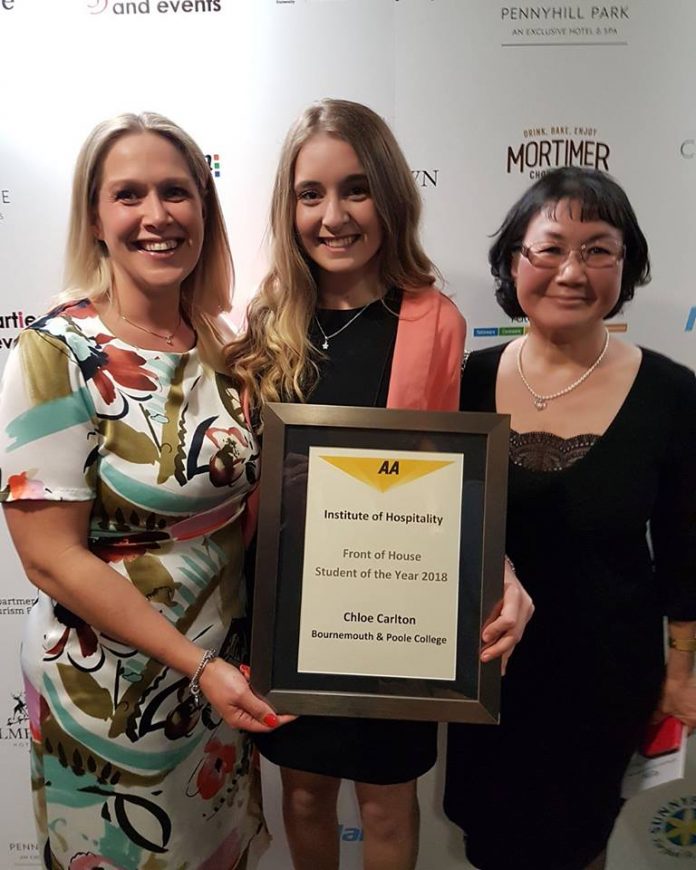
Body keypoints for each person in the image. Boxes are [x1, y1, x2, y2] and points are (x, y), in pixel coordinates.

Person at [225, 98, 534, 870]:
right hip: (291, 615)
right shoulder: (265, 324)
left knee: (388, 804)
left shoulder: (434, 320)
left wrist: (496, 568)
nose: (333, 215)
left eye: (356, 189)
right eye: (311, 194)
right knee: (300, 794)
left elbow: (453, 477)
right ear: (288, 206)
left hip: (396, 612)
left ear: (391, 195)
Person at [0, 112, 292, 869]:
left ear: (204, 205)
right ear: (95, 218)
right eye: (128, 195)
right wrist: (195, 665)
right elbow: (50, 560)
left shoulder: (225, 349)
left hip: (221, 688)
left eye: (175, 192)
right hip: (108, 697)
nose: (156, 216)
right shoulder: (54, 350)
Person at [444, 166, 696, 870]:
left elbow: (685, 548)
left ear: (627, 264)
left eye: (598, 249)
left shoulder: (672, 395)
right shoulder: (461, 383)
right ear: (514, 260)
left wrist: (682, 670)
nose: (571, 271)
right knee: (488, 844)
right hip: (486, 669)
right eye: (549, 248)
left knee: (580, 845)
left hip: (607, 674)